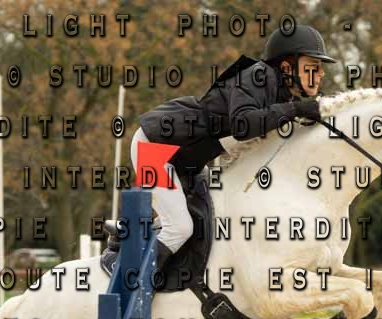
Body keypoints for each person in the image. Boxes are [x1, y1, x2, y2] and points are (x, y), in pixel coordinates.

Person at [130, 24, 337, 270]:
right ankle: (132, 278)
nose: (321, 74)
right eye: (313, 67)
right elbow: (243, 125)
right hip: (153, 146)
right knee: (180, 227)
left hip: (186, 161)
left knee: (212, 216)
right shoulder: (257, 76)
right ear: (286, 67)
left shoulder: (282, 95)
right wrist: (296, 110)